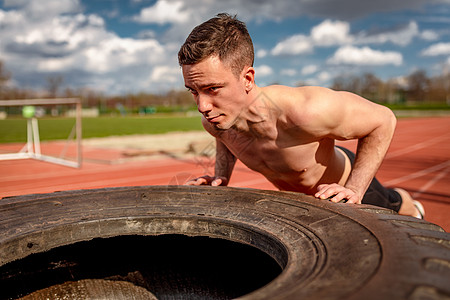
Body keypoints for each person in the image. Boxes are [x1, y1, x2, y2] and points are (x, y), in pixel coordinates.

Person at [177, 13, 424, 218]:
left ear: (247, 78)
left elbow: (383, 119)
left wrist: (355, 189)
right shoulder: (216, 122)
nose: (202, 106)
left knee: (393, 207)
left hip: (343, 181)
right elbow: (226, 142)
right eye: (194, 91)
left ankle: (411, 205)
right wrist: (220, 177)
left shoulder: (306, 110)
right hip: (303, 201)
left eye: (212, 89)